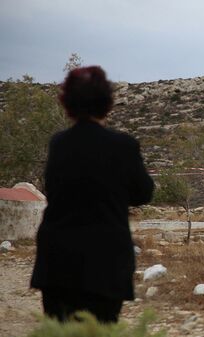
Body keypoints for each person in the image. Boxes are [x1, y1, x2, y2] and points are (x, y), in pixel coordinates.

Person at [31, 66, 154, 323]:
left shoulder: (59, 144)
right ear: (107, 103)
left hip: (58, 260)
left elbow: (54, 189)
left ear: (67, 103)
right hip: (106, 262)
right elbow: (143, 193)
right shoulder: (124, 145)